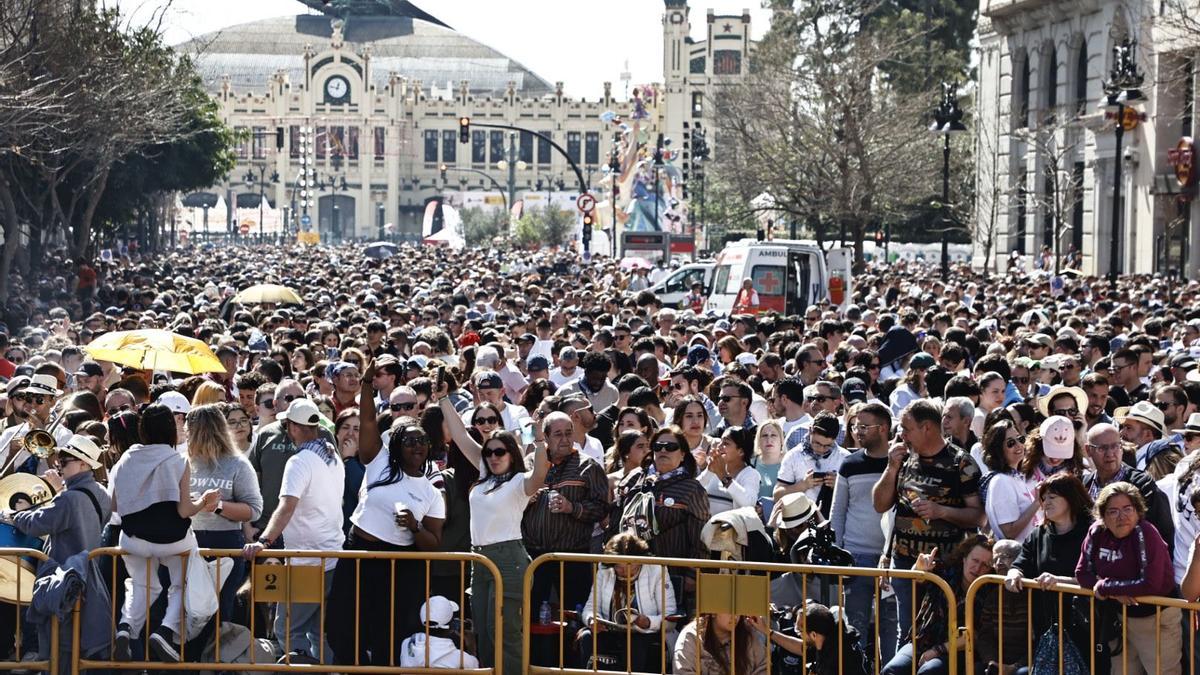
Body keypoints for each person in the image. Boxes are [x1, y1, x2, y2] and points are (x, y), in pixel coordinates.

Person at [442, 384, 548, 675]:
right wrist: (443, 399)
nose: (493, 456)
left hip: (509, 559)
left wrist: (539, 440)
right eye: (489, 452)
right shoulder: (483, 475)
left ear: (512, 454)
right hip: (480, 560)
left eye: (500, 451)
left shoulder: (519, 483)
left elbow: (539, 473)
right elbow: (462, 437)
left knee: (506, 631)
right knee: (484, 632)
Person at [326, 420, 446, 666]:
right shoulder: (380, 464)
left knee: (388, 637)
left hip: (396, 567)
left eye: (422, 441)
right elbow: (368, 421)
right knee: (341, 628)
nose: (417, 446)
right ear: (396, 446)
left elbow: (433, 544)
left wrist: (415, 526)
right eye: (409, 441)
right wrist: (368, 382)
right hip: (357, 554)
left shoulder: (432, 493)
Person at [109, 403, 221, 663]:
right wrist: (204, 500)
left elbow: (114, 504)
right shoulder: (178, 460)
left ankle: (126, 626)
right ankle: (166, 630)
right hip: (174, 541)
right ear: (171, 429)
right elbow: (184, 511)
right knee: (181, 583)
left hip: (133, 538)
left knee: (140, 585)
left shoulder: (127, 458)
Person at [872, 400, 982, 651]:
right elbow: (880, 505)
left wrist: (941, 510)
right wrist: (890, 468)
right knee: (908, 633)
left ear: (928, 428)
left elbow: (978, 516)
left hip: (945, 566)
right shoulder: (902, 459)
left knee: (941, 633)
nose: (902, 435)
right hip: (905, 562)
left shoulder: (960, 463)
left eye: (907, 429)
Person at [242, 399, 345, 665]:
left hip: (307, 559)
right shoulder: (332, 457)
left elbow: (286, 506)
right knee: (317, 632)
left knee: (288, 630)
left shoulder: (299, 461)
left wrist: (264, 540)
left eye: (287, 424)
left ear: (295, 427)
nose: (286, 428)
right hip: (330, 556)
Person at [1075, 482, 1181, 675]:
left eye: (1127, 509)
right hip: (1119, 616)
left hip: (1155, 618)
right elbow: (1082, 573)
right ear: (1103, 515)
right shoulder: (1097, 531)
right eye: (1113, 511)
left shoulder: (1146, 532)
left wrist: (1106, 587)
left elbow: (1151, 584)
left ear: (1138, 511)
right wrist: (1117, 593)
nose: (1122, 517)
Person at [829, 401, 897, 665]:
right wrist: (838, 553)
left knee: (892, 631)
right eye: (855, 426)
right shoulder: (849, 463)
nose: (857, 431)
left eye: (864, 426)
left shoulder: (900, 462)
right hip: (855, 558)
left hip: (891, 562)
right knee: (853, 631)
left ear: (883, 429)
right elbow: (838, 511)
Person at [184, 403, 263, 621]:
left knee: (220, 610)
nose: (186, 436)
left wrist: (218, 506)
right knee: (190, 610)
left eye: (190, 432)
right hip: (189, 542)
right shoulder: (184, 462)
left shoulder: (238, 464)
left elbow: (254, 510)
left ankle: (218, 653)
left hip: (225, 544)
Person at [880, 533, 994, 675]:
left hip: (961, 649)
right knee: (892, 670)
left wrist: (937, 651)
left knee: (929, 672)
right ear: (964, 558)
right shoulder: (945, 571)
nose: (977, 568)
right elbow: (918, 577)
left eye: (985, 565)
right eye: (975, 560)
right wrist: (919, 569)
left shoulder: (991, 590)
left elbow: (977, 636)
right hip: (924, 640)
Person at [1004, 473, 1093, 647]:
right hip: (1047, 627)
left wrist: (1059, 581)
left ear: (1071, 498)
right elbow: (1020, 563)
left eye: (1052, 497)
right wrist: (1014, 573)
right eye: (1043, 498)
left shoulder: (1093, 533)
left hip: (1086, 627)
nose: (1046, 503)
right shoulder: (1038, 534)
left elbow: (1098, 578)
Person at [576, 532, 675, 672]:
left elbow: (670, 617)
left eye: (632, 566)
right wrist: (593, 620)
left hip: (644, 634)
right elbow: (590, 608)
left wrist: (648, 622)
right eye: (619, 568)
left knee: (635, 644)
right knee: (586, 637)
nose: (626, 572)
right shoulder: (604, 570)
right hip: (611, 632)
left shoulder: (657, 570)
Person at [978, 418, 1040, 541]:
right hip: (1014, 556)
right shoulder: (1001, 481)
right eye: (1010, 443)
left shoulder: (1015, 477)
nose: (1019, 445)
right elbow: (1009, 532)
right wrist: (1037, 502)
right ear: (998, 450)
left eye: (1020, 439)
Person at [673, 612, 768, 675]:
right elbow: (683, 671)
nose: (734, 616)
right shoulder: (691, 636)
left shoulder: (748, 635)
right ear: (713, 612)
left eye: (738, 610)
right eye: (729, 610)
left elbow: (763, 667)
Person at [397, 596, 477, 669]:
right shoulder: (460, 659)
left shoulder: (406, 645)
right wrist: (471, 646)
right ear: (451, 627)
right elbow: (475, 667)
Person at [696, 426, 760, 515]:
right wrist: (709, 471)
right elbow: (692, 491)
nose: (719, 446)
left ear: (741, 451)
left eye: (725, 443)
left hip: (732, 527)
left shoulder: (751, 474)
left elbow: (749, 504)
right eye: (720, 441)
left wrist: (724, 477)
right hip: (706, 526)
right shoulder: (715, 466)